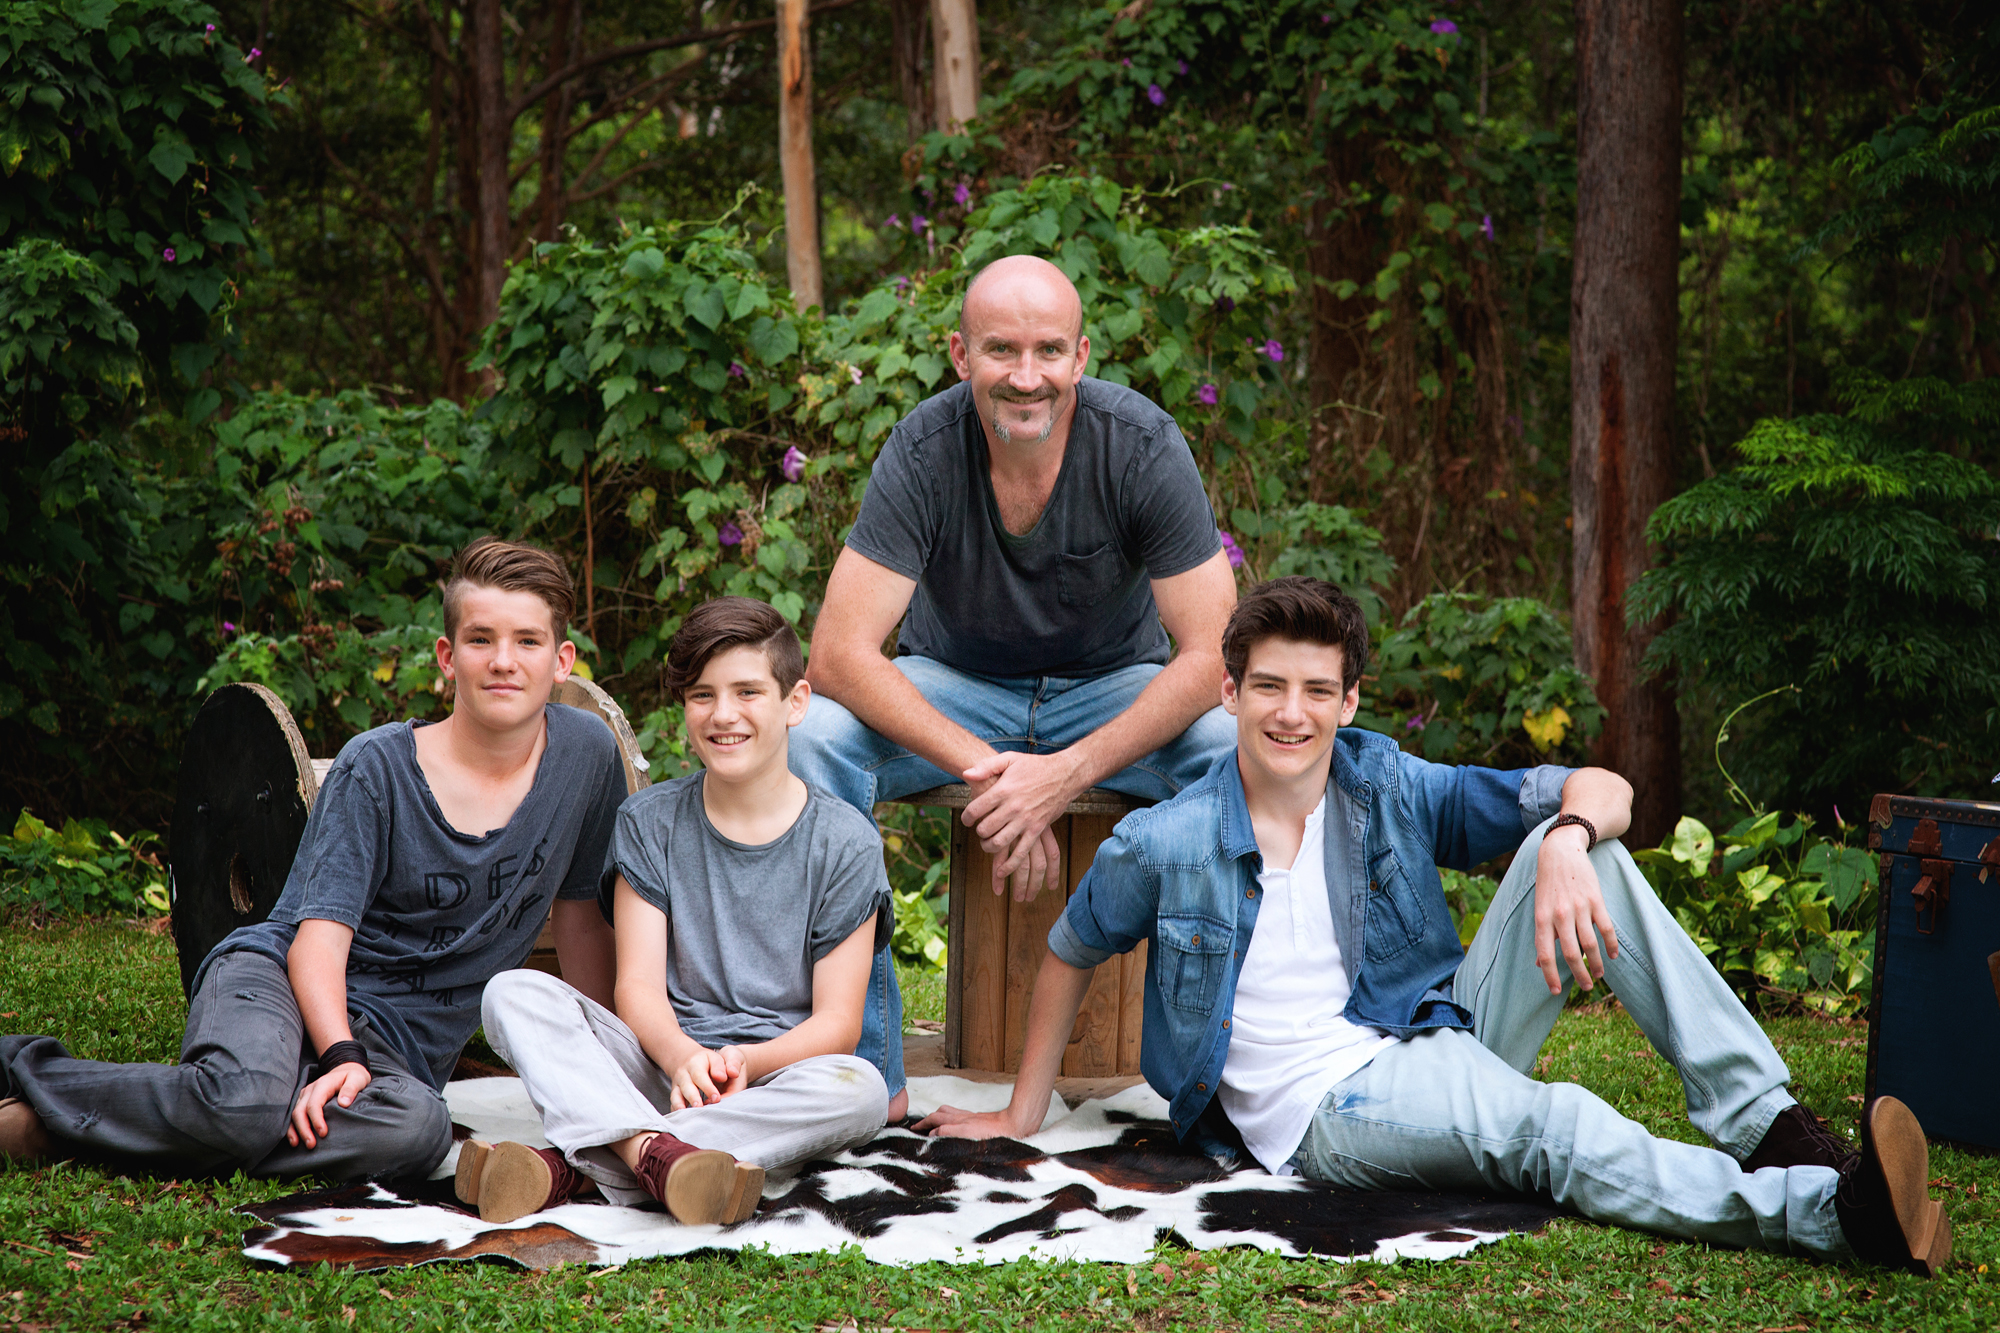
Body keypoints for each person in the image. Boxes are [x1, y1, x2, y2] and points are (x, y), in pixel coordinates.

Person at [916, 576, 1953, 1277]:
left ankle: (1770, 1127)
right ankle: (1831, 1214)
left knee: (1590, 848)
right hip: (1324, 1108)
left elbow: (1602, 786)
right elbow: (1071, 945)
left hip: (1424, 1028)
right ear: (1227, 692)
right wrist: (1023, 1109)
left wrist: (1562, 838)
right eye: (1267, 686)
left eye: (1315, 690)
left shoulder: (1384, 782)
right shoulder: (1167, 839)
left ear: (1349, 700)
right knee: (1553, 1126)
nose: (1290, 713)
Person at [0, 538, 625, 1183]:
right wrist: (341, 1054)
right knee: (245, 1102)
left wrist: (608, 1077)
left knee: (418, 1131)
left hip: (398, 1054)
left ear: (561, 661)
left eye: (528, 641)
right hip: (280, 979)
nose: (503, 661)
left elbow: (581, 922)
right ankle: (36, 1091)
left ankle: (193, 1119)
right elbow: (316, 941)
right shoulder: (377, 768)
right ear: (447, 657)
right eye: (480, 639)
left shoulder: (587, 758)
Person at [793, 253, 1240, 1121]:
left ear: (1081, 356)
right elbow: (838, 654)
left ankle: (1206, 1068)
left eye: (1048, 351)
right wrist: (996, 773)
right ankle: (866, 1074)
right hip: (956, 688)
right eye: (1001, 350)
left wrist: (1063, 774)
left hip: (1112, 687)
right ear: (962, 355)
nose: (1026, 376)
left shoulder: (1140, 445)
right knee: (810, 737)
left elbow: (1212, 655)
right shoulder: (924, 448)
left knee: (1233, 747)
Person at [461, 597, 890, 1226]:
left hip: (773, 1078)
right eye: (701, 696)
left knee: (860, 1092)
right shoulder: (649, 821)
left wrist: (744, 1062)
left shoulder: (845, 842)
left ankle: (582, 1163)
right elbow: (635, 987)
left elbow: (838, 1024)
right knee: (512, 994)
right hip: (657, 1065)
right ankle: (655, 1157)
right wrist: (683, 1057)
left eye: (748, 692)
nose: (723, 715)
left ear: (795, 702)